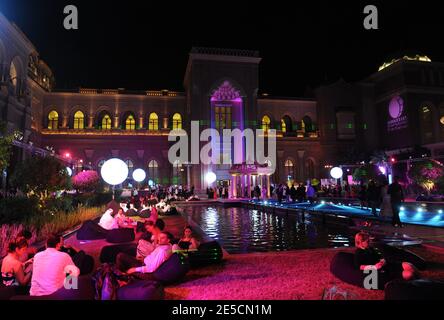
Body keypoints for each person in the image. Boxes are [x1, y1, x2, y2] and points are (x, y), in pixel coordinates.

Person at [354, 232, 418, 288]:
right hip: (380, 272)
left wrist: (383, 260)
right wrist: (374, 267)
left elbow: (380, 257)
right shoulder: (359, 252)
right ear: (360, 242)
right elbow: (359, 266)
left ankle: (417, 281)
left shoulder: (370, 248)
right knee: (409, 274)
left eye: (369, 240)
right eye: (367, 241)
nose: (369, 242)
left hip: (386, 265)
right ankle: (413, 284)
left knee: (408, 265)